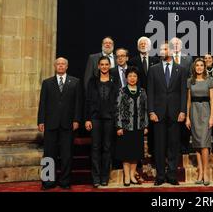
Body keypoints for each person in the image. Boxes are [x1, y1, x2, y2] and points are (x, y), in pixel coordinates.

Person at [37, 57, 82, 190]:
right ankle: (48, 181)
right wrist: (41, 121)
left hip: (68, 124)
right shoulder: (47, 83)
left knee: (66, 154)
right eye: (58, 64)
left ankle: (65, 182)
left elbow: (78, 103)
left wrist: (76, 120)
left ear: (67, 67)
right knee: (49, 154)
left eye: (63, 64)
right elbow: (42, 103)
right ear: (55, 66)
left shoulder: (75, 82)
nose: (61, 66)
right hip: (50, 123)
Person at [147, 41, 187, 186]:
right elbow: (150, 92)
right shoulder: (153, 69)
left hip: (176, 113)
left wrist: (183, 111)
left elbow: (183, 92)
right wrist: (151, 111)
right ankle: (160, 176)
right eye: (161, 49)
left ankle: (171, 175)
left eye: (165, 49)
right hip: (158, 113)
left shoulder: (181, 69)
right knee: (159, 146)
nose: (163, 51)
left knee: (173, 145)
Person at [85, 56, 119, 188]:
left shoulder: (114, 81)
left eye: (106, 64)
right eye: (102, 64)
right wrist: (87, 118)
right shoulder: (92, 81)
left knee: (107, 147)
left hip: (110, 119)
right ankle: (96, 177)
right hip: (95, 118)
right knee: (95, 147)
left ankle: (105, 177)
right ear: (98, 66)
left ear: (109, 66)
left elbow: (117, 102)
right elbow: (87, 101)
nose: (104, 67)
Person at [115, 66, 149, 186]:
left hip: (138, 126)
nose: (132, 78)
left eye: (134, 76)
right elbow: (118, 109)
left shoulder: (142, 91)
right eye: (130, 76)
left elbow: (145, 109)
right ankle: (127, 177)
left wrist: (145, 125)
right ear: (126, 77)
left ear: (137, 78)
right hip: (125, 127)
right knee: (126, 153)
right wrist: (119, 126)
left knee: (136, 153)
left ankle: (133, 175)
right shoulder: (122, 91)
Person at [185, 58, 213, 186]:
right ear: (194, 67)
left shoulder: (209, 80)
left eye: (201, 65)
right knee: (197, 143)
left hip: (206, 111)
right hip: (194, 112)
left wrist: (212, 117)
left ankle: (206, 172)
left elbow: (212, 100)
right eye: (197, 65)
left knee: (204, 144)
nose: (199, 67)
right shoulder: (189, 81)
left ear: (204, 67)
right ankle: (201, 172)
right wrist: (187, 117)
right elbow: (188, 101)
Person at [128, 36, 160, 158]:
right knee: (139, 127)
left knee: (153, 128)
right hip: (138, 98)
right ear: (137, 46)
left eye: (145, 43)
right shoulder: (132, 61)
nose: (143, 45)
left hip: (154, 99)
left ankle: (153, 152)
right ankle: (138, 156)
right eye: (140, 43)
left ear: (149, 46)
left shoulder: (156, 60)